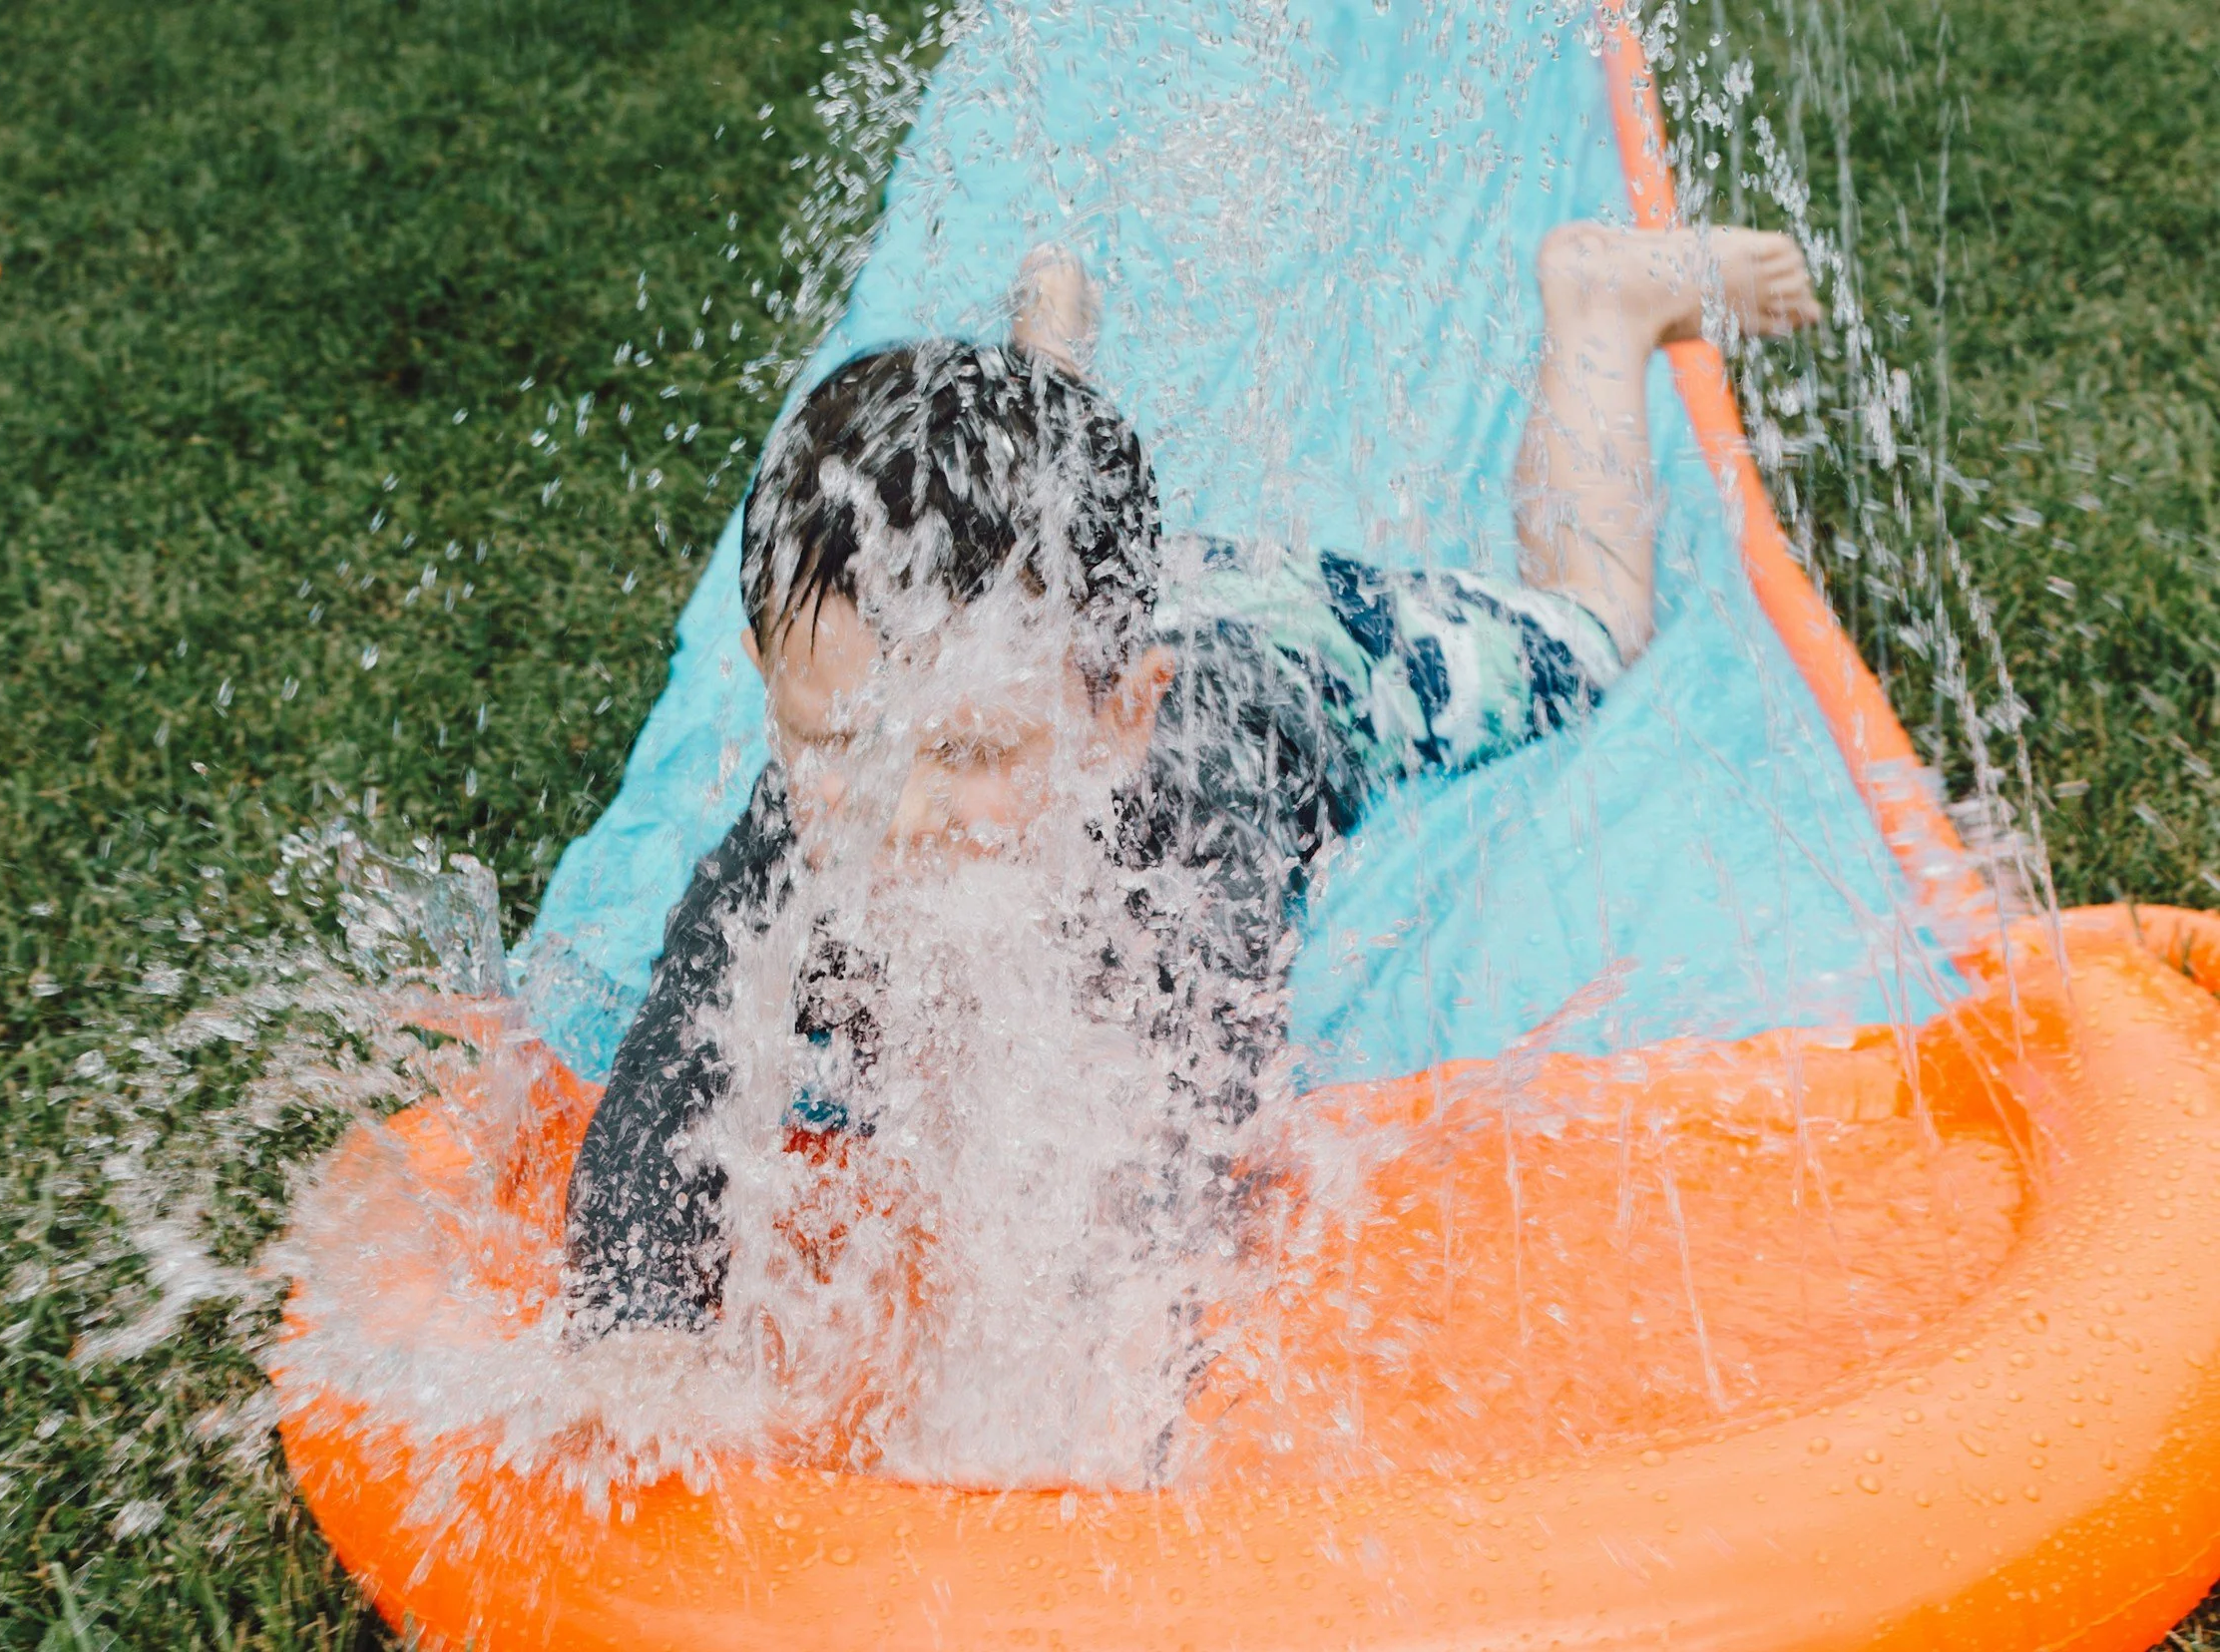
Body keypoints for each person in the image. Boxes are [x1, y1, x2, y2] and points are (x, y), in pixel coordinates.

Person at [561, 222, 1823, 1335]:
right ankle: (1041, 376)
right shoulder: (841, 786)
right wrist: (636, 1333)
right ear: (769, 682)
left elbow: (1191, 1162)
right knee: (1016, 588)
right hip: (1048, 640)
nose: (892, 813)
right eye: (835, 742)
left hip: (1281, 651)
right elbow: (674, 1072)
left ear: (1120, 725)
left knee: (1592, 635)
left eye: (964, 760)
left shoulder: (1182, 849)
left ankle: (1602, 300)